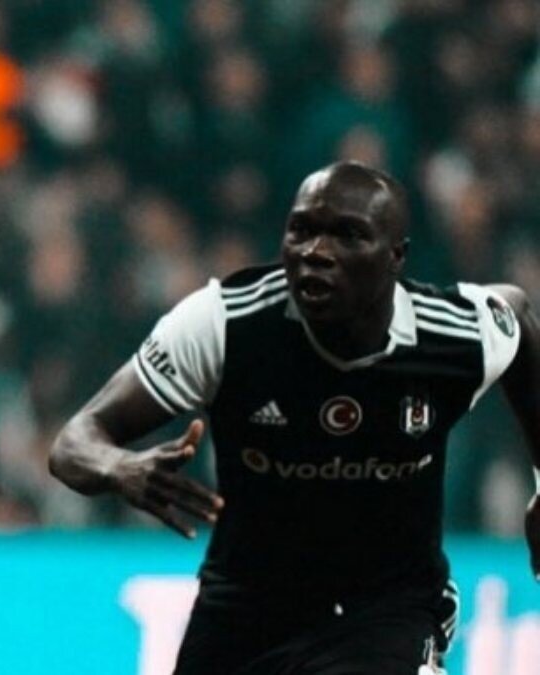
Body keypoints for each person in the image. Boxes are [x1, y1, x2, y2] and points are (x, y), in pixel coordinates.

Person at [49, 161, 539, 674]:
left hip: (385, 610)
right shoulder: (223, 325)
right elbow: (73, 443)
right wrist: (118, 467)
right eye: (302, 230)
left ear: (396, 256)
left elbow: (521, 317)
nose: (316, 252)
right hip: (245, 610)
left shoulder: (453, 335)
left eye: (348, 235)